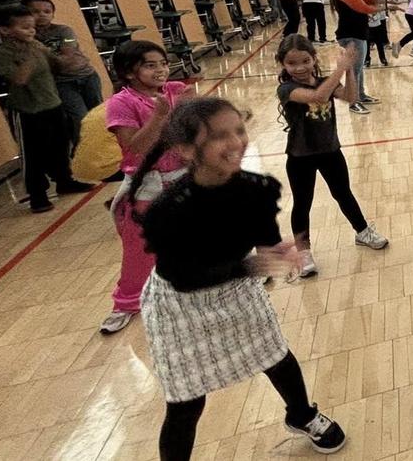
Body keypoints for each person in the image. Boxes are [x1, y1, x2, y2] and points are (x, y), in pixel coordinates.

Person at [133, 97, 346, 459]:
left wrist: (279, 250)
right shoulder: (170, 210)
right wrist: (251, 267)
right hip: (181, 308)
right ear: (186, 149)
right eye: (219, 136)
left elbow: (262, 237)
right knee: (186, 401)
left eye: (239, 130)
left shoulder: (255, 188)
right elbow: (185, 276)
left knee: (277, 357)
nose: (236, 142)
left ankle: (301, 415)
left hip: (236, 291)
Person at [276, 34, 388, 278]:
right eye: (292, 63)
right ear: (283, 65)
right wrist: (341, 66)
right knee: (302, 203)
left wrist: (348, 71)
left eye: (305, 61)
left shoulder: (325, 81)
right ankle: (303, 252)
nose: (300, 68)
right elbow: (318, 96)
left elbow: (351, 97)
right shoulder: (287, 89)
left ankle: (362, 231)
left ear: (314, 59)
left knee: (343, 193)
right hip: (300, 156)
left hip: (330, 151)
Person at [99, 40, 190, 334]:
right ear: (128, 72)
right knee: (140, 248)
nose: (161, 70)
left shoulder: (175, 91)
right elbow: (134, 147)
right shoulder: (121, 102)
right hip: (146, 184)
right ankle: (127, 302)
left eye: (163, 63)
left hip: (183, 177)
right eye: (150, 65)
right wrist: (160, 117)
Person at [0, 6, 93, 213]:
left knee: (60, 145)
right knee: (33, 154)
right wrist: (29, 53)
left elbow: (57, 65)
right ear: (5, 30)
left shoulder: (37, 45)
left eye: (32, 27)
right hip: (27, 111)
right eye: (25, 27)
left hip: (52, 103)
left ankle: (64, 180)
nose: (31, 31)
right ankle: (37, 194)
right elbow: (20, 78)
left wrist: (71, 58)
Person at [24, 0, 103, 147]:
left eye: (47, 11)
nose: (42, 14)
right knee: (79, 117)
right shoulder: (26, 38)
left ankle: (103, 150)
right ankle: (82, 153)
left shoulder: (64, 30)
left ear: (53, 14)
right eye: (35, 11)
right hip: (61, 83)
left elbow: (69, 55)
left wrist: (45, 58)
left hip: (87, 76)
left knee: (98, 114)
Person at [330, 0, 394, 114]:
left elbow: (369, 0)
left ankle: (361, 95)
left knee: (358, 68)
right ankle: (354, 102)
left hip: (359, 32)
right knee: (354, 70)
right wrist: (386, 8)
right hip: (350, 33)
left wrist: (388, 3)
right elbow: (364, 8)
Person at [364, 0, 391, 67]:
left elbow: (379, 6)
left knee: (379, 42)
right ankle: (367, 59)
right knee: (366, 43)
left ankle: (382, 58)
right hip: (366, 24)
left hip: (377, 22)